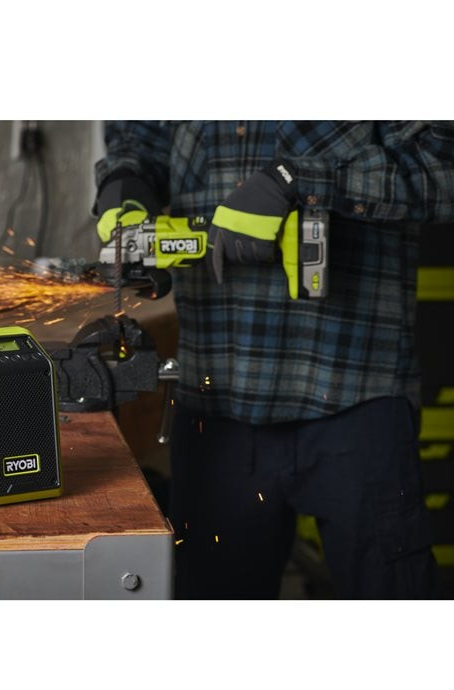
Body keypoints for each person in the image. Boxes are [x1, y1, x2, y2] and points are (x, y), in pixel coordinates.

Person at [93, 121, 454, 599]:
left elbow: (443, 168)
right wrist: (125, 181)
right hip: (216, 407)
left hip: (357, 398)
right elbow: (138, 139)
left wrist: (298, 180)